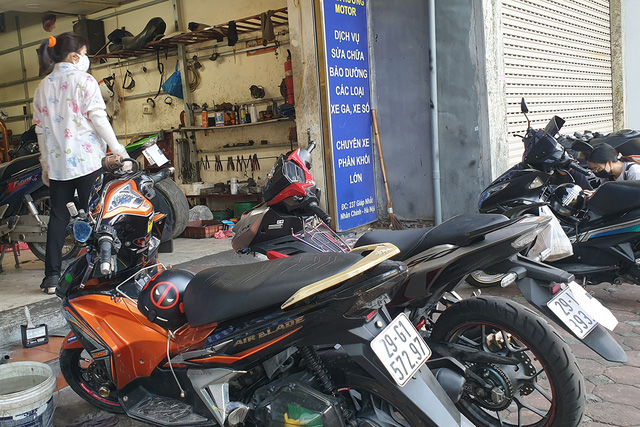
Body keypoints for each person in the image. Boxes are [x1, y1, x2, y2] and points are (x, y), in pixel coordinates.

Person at [33, 32, 129, 294]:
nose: (86, 58)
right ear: (75, 56)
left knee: (58, 218)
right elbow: (98, 119)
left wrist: (45, 164)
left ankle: (52, 277)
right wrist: (118, 149)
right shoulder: (84, 80)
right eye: (85, 54)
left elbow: (40, 131)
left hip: (58, 166)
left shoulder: (42, 87)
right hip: (87, 162)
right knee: (96, 216)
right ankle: (98, 272)